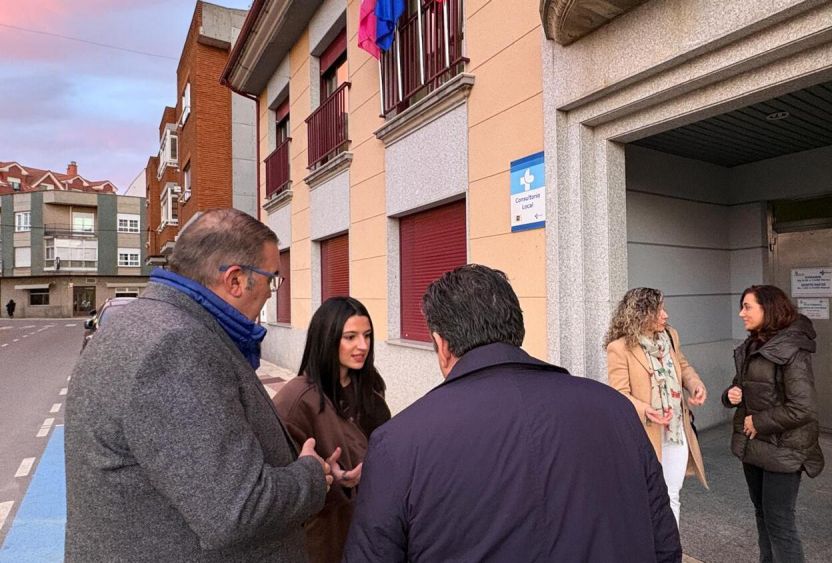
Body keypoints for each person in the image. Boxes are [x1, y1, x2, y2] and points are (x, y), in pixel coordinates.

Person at [343, 264, 682, 562]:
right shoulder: (615, 408)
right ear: (517, 330)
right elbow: (665, 542)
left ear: (441, 344)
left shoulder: (398, 443)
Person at [65, 208, 343, 562]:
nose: (271, 293)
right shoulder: (177, 347)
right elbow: (237, 510)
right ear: (235, 280)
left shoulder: (140, 322)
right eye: (271, 280)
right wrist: (311, 476)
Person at [272, 297, 391, 562]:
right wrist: (325, 478)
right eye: (350, 337)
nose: (363, 346)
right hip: (326, 539)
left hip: (372, 528)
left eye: (367, 336)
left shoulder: (371, 386)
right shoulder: (296, 399)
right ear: (327, 338)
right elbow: (276, 482)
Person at [722, 285, 824, 563]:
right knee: (762, 514)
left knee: (780, 522)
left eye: (747, 307)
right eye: (741, 307)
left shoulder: (792, 349)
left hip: (784, 448)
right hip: (754, 445)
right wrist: (730, 395)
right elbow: (744, 386)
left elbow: (803, 407)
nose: (741, 313)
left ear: (768, 309)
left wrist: (759, 421)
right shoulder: (753, 344)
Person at [605, 287, 709, 528]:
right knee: (646, 496)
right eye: (659, 310)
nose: (665, 315)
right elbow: (619, 393)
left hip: (675, 429)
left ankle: (670, 545)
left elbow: (683, 366)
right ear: (641, 314)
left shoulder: (670, 336)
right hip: (645, 432)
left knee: (672, 493)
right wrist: (645, 410)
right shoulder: (619, 348)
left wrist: (695, 385)